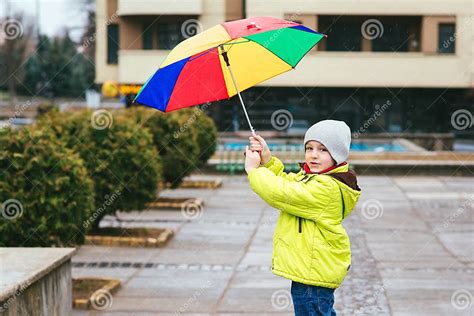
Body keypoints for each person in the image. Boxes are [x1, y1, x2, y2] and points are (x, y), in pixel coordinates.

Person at [244, 120, 362, 315]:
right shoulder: (313, 177)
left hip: (313, 273)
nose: (313, 155)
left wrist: (253, 171)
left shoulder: (326, 187)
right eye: (309, 148)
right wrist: (267, 159)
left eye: (323, 150)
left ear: (338, 155)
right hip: (310, 269)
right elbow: (285, 180)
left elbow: (282, 193)